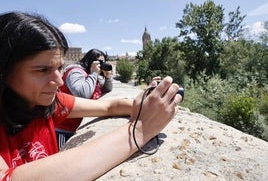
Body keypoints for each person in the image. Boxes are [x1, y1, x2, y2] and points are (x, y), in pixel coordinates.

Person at [0, 11, 182, 181]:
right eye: (43, 70)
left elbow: (108, 107)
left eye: (59, 68)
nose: (60, 81)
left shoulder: (45, 104)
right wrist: (140, 129)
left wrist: (146, 105)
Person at [56, 48, 113, 149]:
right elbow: (82, 94)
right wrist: (94, 73)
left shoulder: (91, 75)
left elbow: (107, 89)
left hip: (75, 128)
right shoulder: (75, 72)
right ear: (90, 61)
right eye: (99, 62)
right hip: (63, 130)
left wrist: (107, 77)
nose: (101, 65)